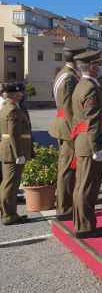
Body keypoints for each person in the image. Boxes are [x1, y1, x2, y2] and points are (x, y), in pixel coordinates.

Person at [70, 50, 102, 238]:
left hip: (82, 140)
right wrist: (96, 148)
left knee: (81, 185)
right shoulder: (91, 88)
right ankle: (86, 227)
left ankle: (82, 223)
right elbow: (92, 120)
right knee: (88, 186)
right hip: (89, 142)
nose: (100, 67)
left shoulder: (81, 85)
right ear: (92, 67)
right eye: (98, 64)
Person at [49, 47, 81, 218]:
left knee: (67, 167)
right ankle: (65, 207)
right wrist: (75, 131)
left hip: (62, 125)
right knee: (68, 168)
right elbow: (69, 108)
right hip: (68, 128)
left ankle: (65, 204)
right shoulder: (69, 78)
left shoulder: (63, 73)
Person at [0, 83, 32, 225]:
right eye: (17, 93)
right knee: (10, 184)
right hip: (13, 151)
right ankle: (8, 215)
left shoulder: (9, 107)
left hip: (11, 150)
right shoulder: (12, 109)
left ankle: (10, 213)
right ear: (11, 95)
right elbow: (13, 134)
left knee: (10, 183)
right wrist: (18, 154)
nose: (21, 95)